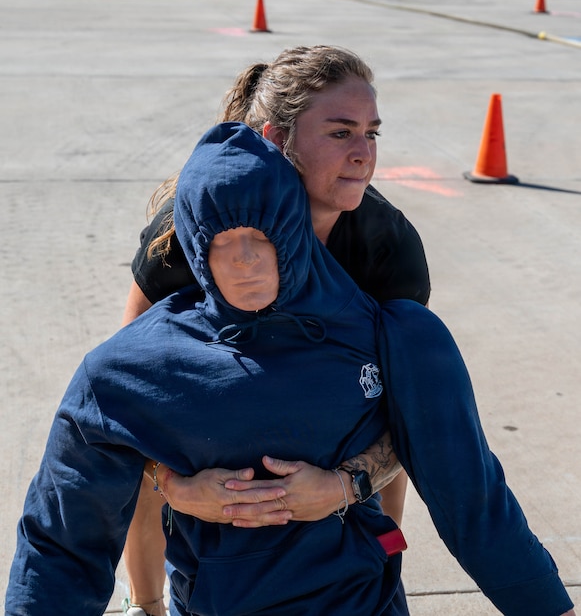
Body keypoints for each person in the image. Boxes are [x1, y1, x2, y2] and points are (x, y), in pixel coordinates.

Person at [6, 123, 576, 616]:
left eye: (262, 236)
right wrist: (171, 485)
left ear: (293, 229)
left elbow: (473, 498)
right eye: (223, 243)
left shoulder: (393, 335)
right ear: (197, 248)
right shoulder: (131, 366)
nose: (245, 261)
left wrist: (546, 604)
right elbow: (61, 538)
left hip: (358, 600)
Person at [121, 45, 430, 616]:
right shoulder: (181, 241)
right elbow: (125, 403)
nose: (364, 155)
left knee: (383, 511)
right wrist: (174, 485)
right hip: (209, 438)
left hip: (334, 432)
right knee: (142, 486)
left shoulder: (387, 249)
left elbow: (413, 417)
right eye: (340, 133)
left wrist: (346, 486)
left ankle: (384, 577)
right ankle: (145, 603)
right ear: (274, 140)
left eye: (372, 134)